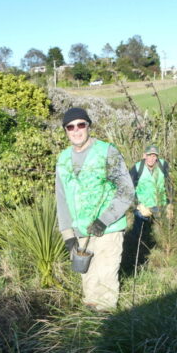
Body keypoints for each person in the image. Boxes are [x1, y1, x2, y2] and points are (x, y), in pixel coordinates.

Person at [55, 107, 134, 311]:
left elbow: (126, 190)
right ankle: (91, 329)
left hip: (108, 228)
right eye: (70, 127)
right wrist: (68, 235)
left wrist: (104, 220)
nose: (76, 130)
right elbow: (61, 199)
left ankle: (108, 325)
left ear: (88, 126)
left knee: (105, 278)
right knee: (89, 281)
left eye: (81, 124)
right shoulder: (63, 160)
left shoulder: (107, 151)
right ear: (65, 130)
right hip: (81, 233)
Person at [130, 144, 173, 240]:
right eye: (149, 155)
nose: (151, 158)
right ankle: (137, 249)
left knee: (162, 235)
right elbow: (128, 188)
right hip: (143, 207)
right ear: (144, 155)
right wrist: (137, 205)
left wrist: (170, 204)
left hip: (160, 205)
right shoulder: (137, 168)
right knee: (139, 235)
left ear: (157, 157)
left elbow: (169, 185)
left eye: (154, 156)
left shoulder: (163, 165)